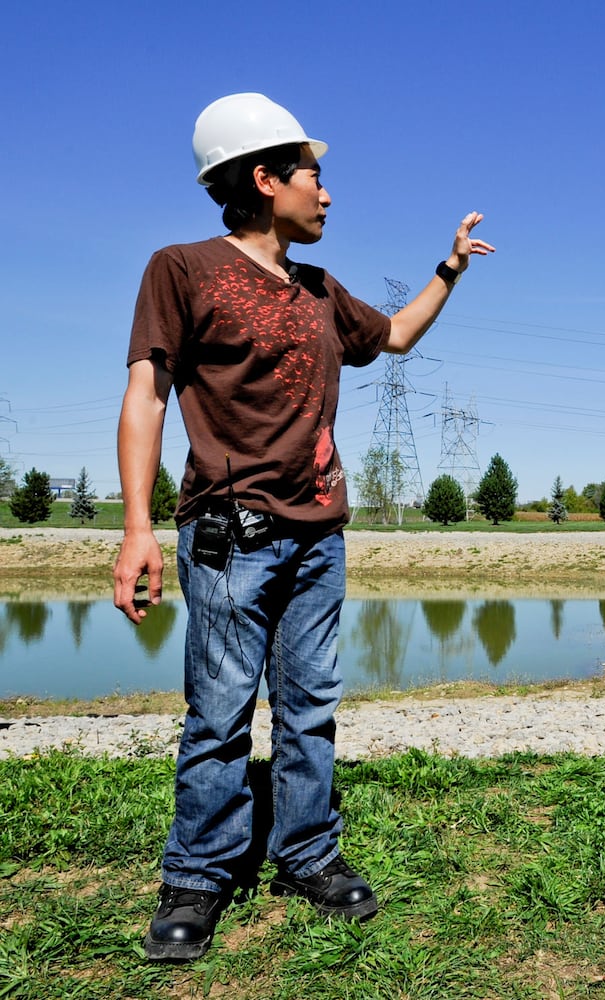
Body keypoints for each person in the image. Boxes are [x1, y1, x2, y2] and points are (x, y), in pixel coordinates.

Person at [112, 92, 494, 962]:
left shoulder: (321, 291)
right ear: (264, 179)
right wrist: (136, 527)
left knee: (310, 707)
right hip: (228, 531)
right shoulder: (182, 268)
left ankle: (307, 855)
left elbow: (393, 337)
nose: (327, 196)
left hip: (319, 534)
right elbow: (147, 393)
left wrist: (450, 269)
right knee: (217, 715)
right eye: (315, 178)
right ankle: (198, 876)